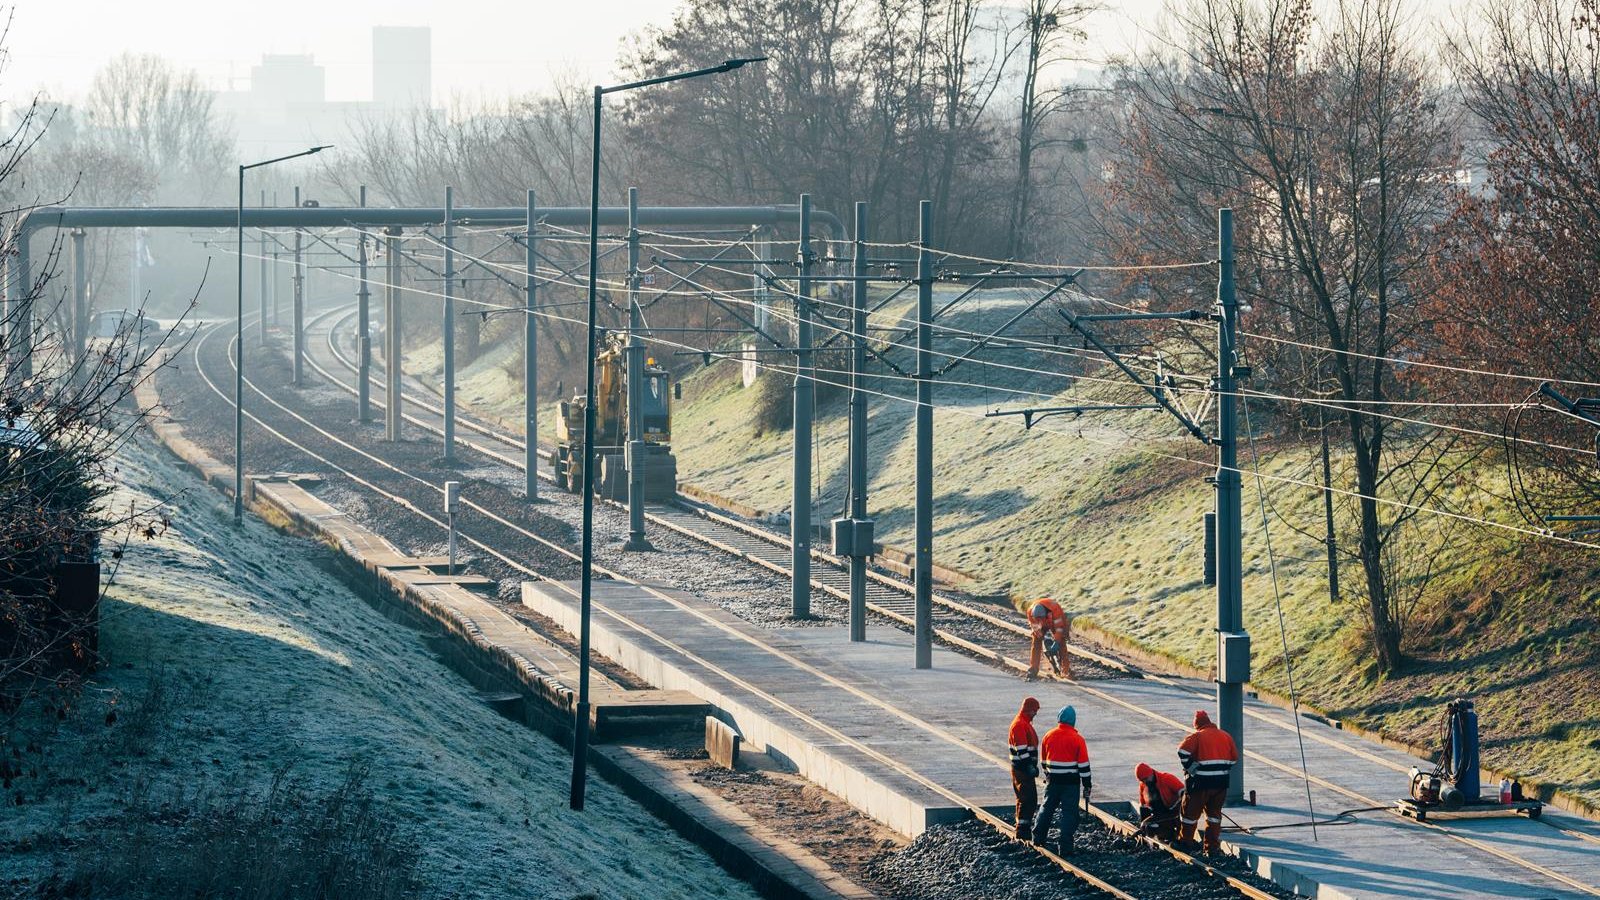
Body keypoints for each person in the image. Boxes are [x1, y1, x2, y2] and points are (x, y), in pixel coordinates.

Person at [1175, 709, 1238, 855]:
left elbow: (1182, 751)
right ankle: (1212, 847)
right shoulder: (1225, 736)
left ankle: (1186, 842)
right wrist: (1221, 769)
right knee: (1214, 816)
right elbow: (1234, 758)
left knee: (1189, 814)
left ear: (1197, 725)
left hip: (1200, 784)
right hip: (1221, 784)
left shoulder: (1197, 736)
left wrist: (1191, 768)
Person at [1033, 705, 1092, 855]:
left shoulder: (1048, 735)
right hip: (1070, 784)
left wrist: (1048, 775)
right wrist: (1087, 785)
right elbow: (1084, 766)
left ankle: (1038, 838)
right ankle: (1065, 847)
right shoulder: (1078, 739)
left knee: (1046, 808)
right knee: (1069, 813)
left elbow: (1044, 761)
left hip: (1052, 781)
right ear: (1073, 721)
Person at [1008, 697, 1042, 840]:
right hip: (1022, 769)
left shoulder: (1024, 723)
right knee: (1026, 798)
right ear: (1029, 710)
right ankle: (1022, 830)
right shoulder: (1019, 725)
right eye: (1034, 711)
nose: (1035, 714)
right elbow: (1022, 749)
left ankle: (1024, 828)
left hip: (1024, 768)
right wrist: (1029, 765)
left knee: (1029, 798)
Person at [1135, 762, 1185, 842]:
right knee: (1149, 828)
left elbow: (1185, 794)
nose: (1145, 782)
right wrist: (1143, 826)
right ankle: (1168, 836)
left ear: (1151, 774)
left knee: (1150, 825)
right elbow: (1143, 807)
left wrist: (1180, 810)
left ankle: (1179, 837)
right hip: (1160, 815)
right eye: (1142, 780)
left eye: (1146, 779)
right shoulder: (1143, 786)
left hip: (1175, 812)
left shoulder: (1167, 779)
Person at [1025, 598, 1071, 681]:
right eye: (1037, 619)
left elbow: (1059, 629)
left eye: (1041, 619)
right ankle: (1033, 669)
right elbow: (1035, 628)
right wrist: (1041, 636)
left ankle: (1066, 670)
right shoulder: (1030, 613)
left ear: (1046, 615)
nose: (1040, 621)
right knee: (1036, 641)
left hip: (1054, 620)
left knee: (1062, 642)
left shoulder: (1055, 610)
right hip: (1042, 620)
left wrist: (1056, 641)